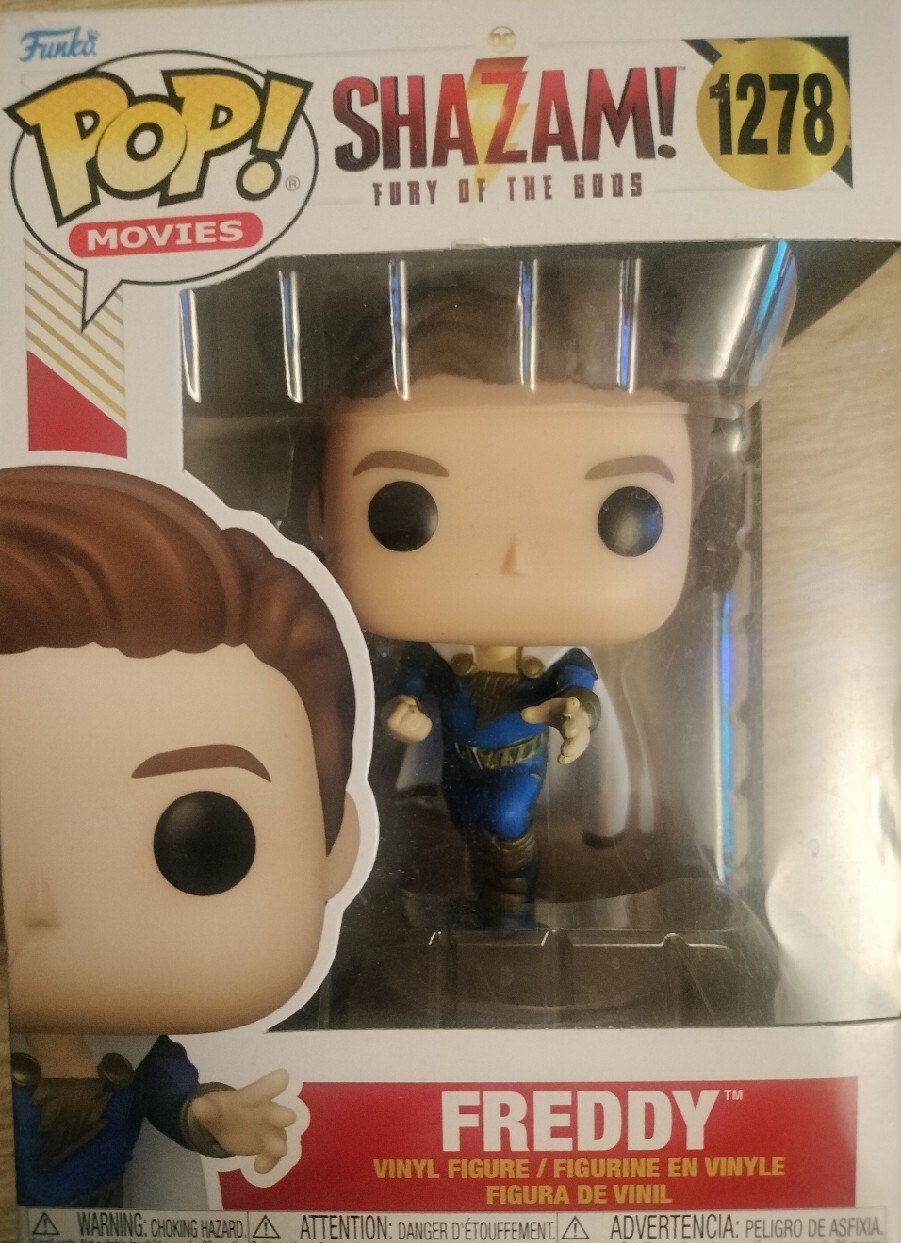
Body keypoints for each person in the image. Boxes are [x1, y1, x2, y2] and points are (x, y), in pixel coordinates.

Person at [313, 246, 796, 927]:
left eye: (626, 513)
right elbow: (410, 694)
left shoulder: (561, 660)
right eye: (404, 511)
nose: (517, 560)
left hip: (522, 768)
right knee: (460, 823)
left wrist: (576, 715)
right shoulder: (430, 654)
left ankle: (507, 914)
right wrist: (405, 713)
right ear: (322, 509)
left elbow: (580, 693)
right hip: (451, 774)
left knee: (510, 826)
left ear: (696, 503)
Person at [0, 465, 362, 1206]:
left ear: (334, 852)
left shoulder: (141, 1057)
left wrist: (212, 1119)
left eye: (205, 843)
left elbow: (178, 1105)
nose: (36, 906)